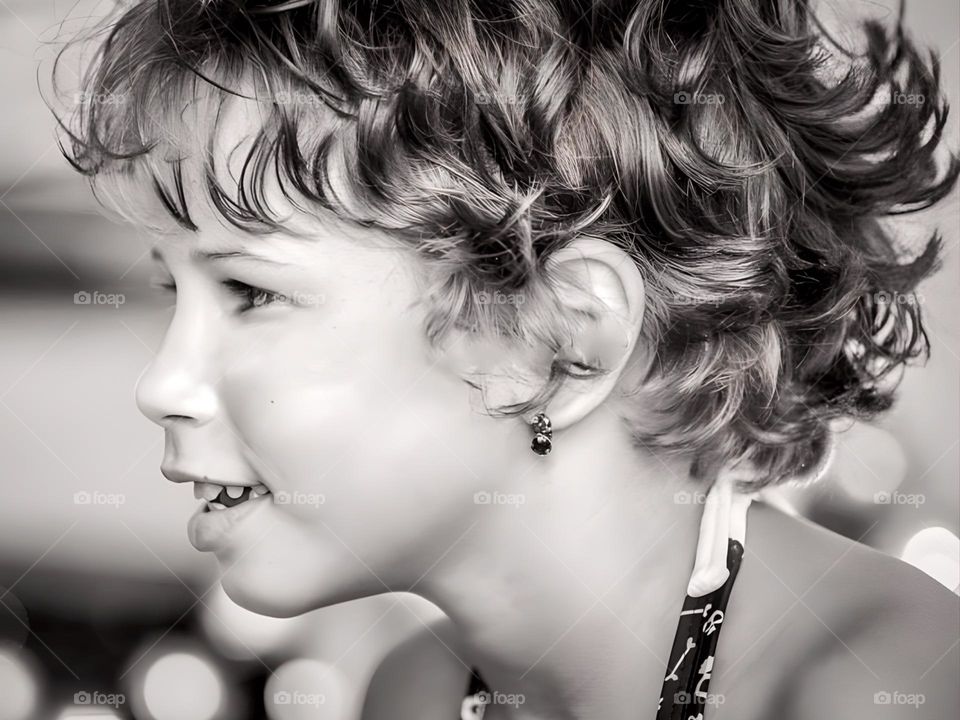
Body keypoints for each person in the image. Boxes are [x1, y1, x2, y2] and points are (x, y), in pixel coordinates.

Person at [52, 1, 959, 718]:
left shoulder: (895, 687)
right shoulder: (414, 694)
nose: (161, 385)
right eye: (175, 294)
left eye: (251, 293)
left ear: (562, 338)